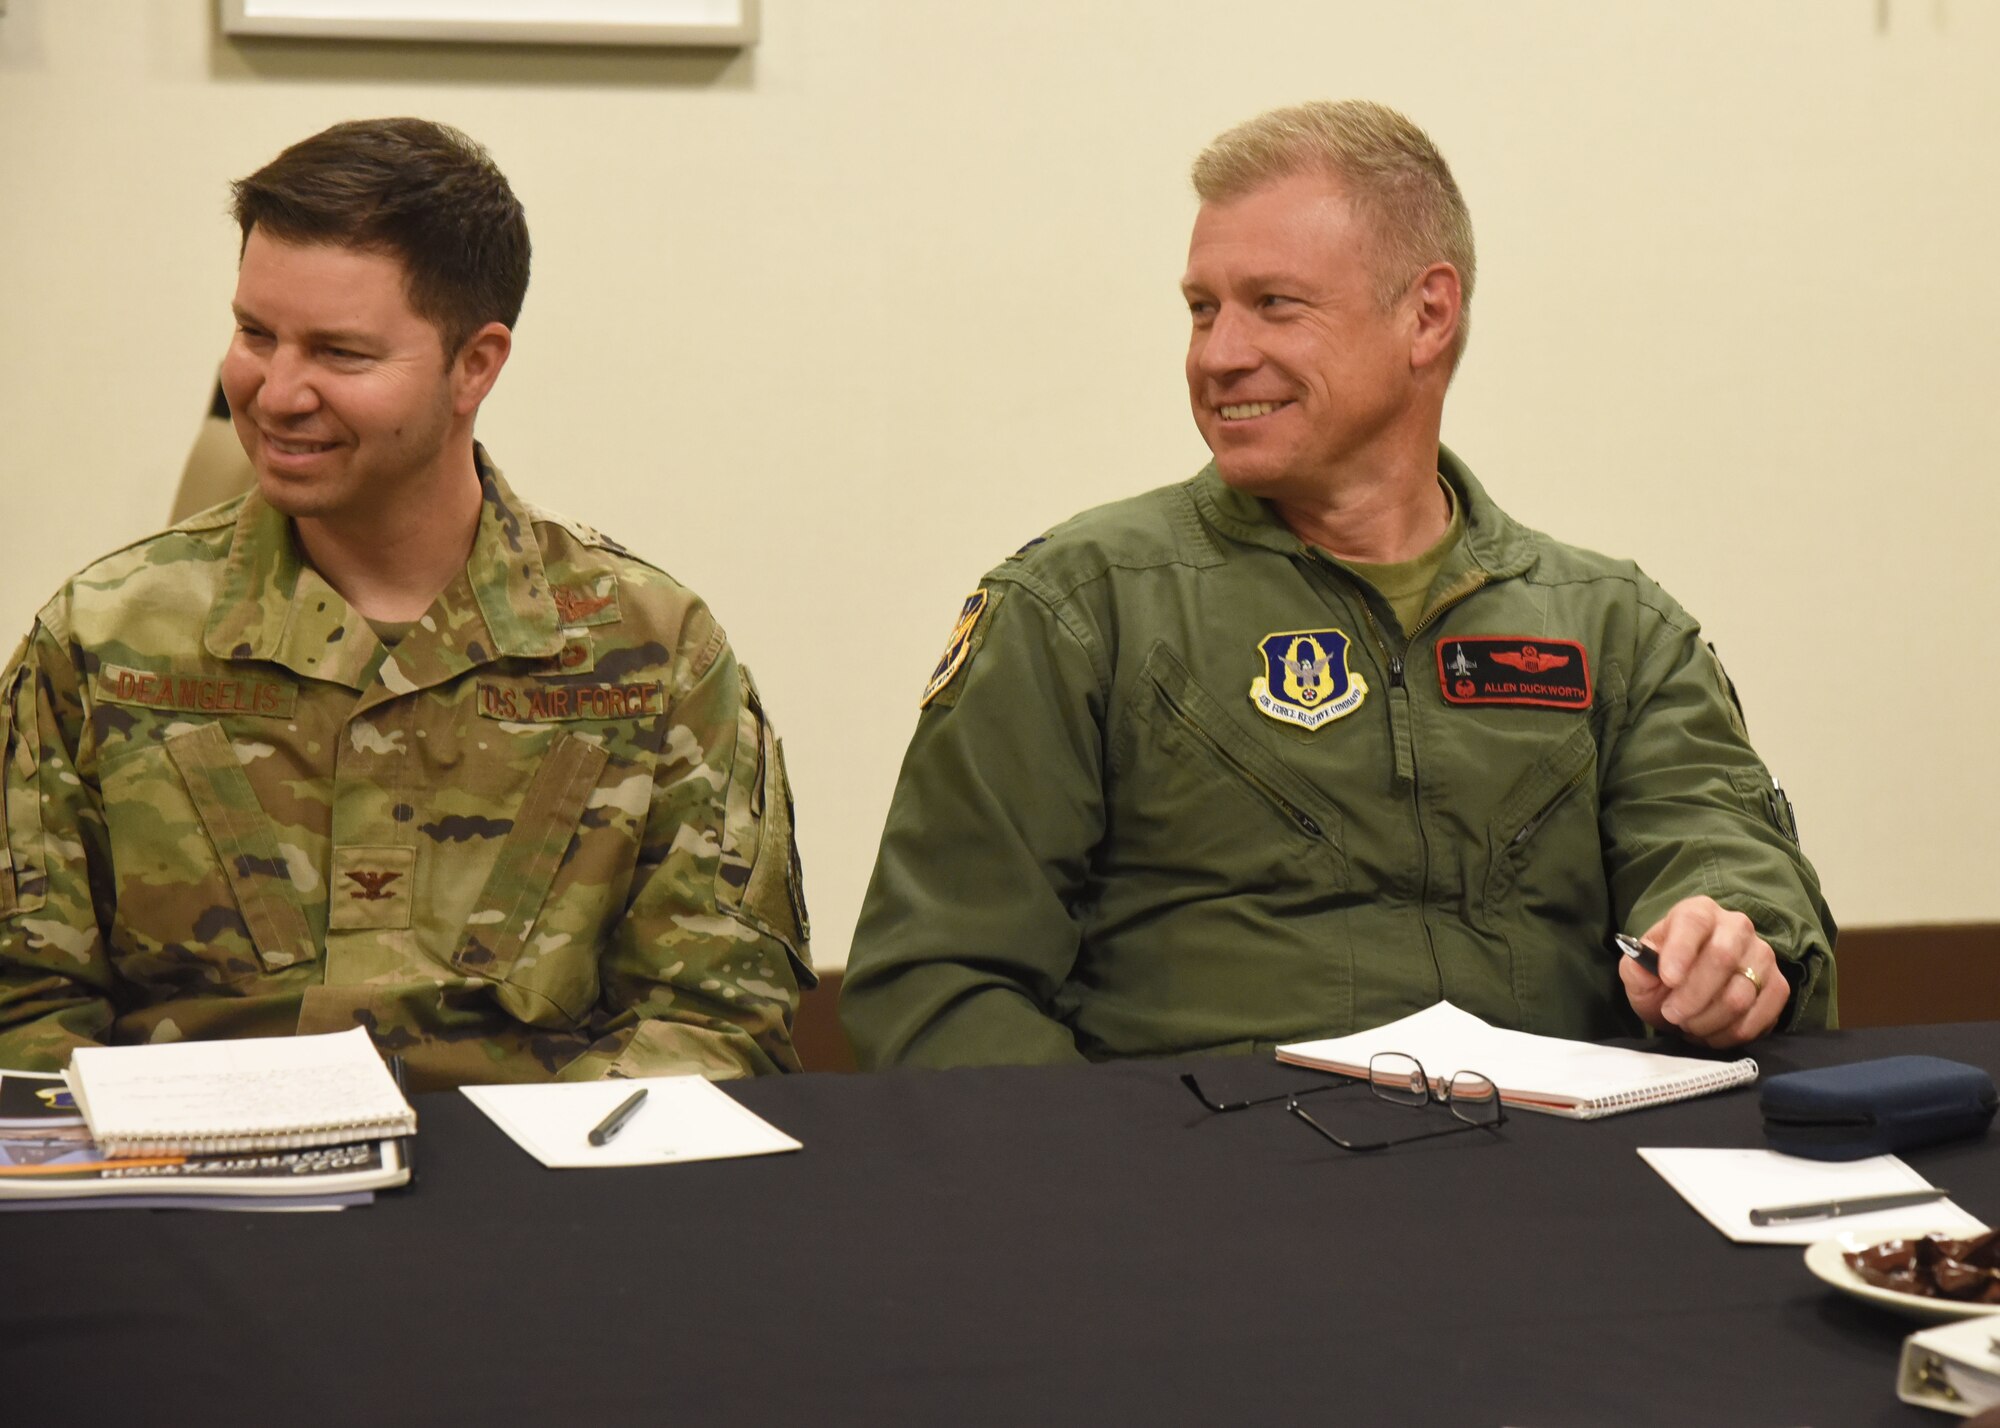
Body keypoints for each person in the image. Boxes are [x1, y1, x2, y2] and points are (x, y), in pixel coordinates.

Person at [841, 100, 1834, 1069]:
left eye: (1273, 304)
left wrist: (1731, 948)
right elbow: (936, 982)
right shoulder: (1081, 606)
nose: (1219, 355)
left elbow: (1717, 849)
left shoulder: (1613, 626)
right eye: (1201, 310)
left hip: (1552, 1180)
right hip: (1209, 1190)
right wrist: (1123, 1186)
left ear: (1426, 315)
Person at [0, 119, 811, 1088]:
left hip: (538, 1207)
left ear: (475, 365)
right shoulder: (104, 638)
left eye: (340, 353)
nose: (276, 392)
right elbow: (24, 1006)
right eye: (256, 334)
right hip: (190, 1202)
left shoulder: (650, 651)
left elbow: (717, 1016)